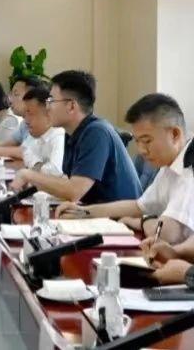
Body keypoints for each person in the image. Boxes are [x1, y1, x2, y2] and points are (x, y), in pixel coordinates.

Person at [57, 94, 193, 246]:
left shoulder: (189, 167)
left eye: (147, 141)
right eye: (138, 141)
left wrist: (140, 222)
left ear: (175, 134)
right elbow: (139, 206)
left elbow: (168, 233)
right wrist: (83, 212)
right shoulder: (170, 164)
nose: (141, 150)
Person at [10, 70, 141, 203]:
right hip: (91, 209)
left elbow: (74, 191)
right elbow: (69, 182)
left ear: (71, 106)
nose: (47, 107)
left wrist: (29, 175)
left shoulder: (96, 132)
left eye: (51, 100)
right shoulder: (71, 132)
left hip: (118, 215)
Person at [0, 76, 46, 159]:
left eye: (16, 94)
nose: (10, 99)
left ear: (32, 97)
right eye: (11, 94)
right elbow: (7, 144)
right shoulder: (24, 123)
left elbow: (24, 152)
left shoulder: (42, 124)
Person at [19, 87, 65, 175]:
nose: (26, 120)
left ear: (48, 115)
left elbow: (55, 172)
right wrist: (38, 165)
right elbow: (24, 151)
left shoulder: (59, 136)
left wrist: (36, 167)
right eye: (25, 114)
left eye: (30, 113)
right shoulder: (36, 134)